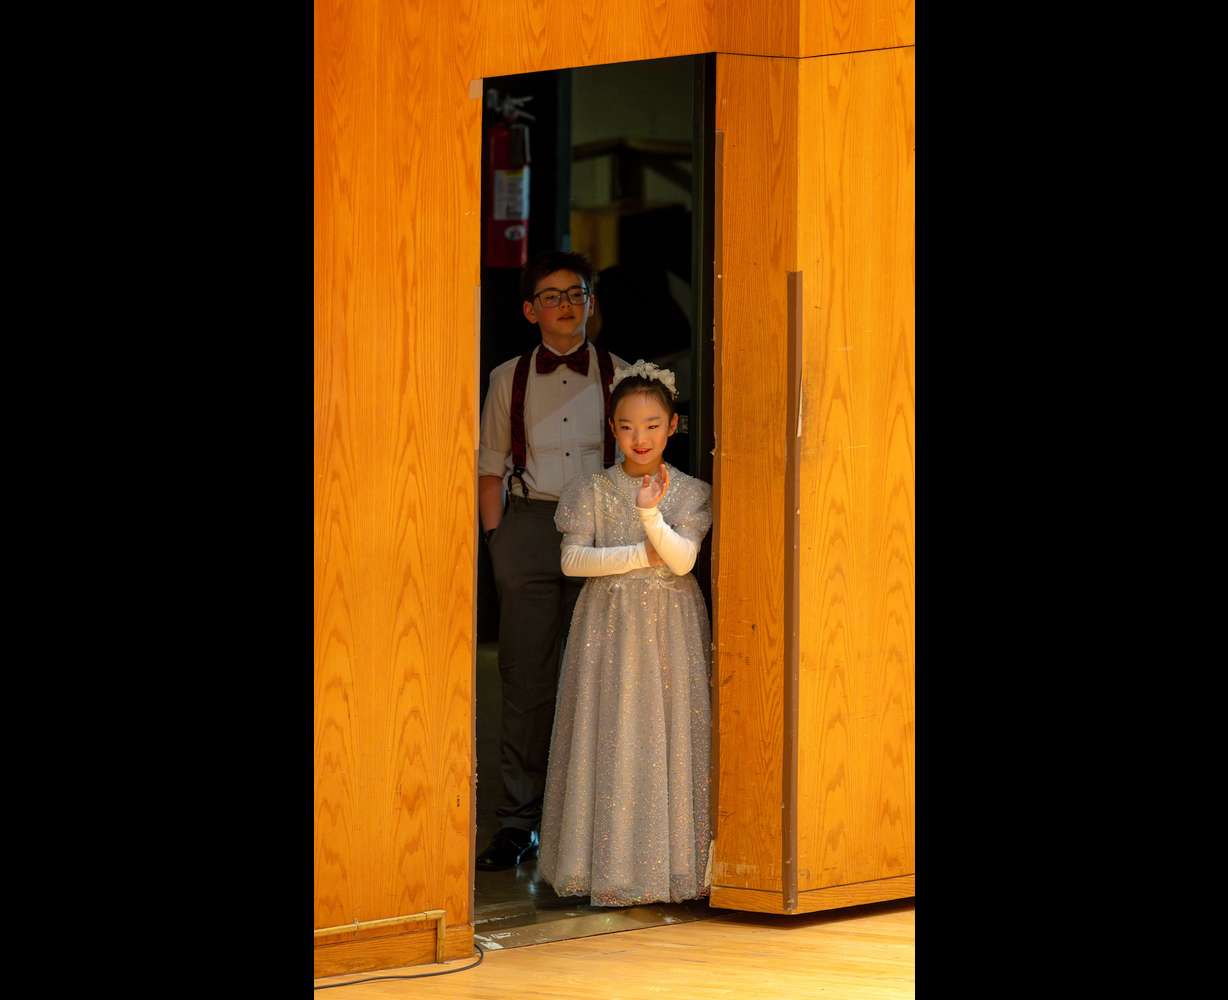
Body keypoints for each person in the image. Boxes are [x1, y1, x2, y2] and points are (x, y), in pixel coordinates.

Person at [538, 360, 712, 905]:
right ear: (612, 428)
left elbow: (682, 563)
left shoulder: (689, 492)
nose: (641, 438)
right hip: (608, 627)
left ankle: (672, 867)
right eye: (629, 426)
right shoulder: (590, 489)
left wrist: (651, 517)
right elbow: (572, 561)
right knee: (609, 729)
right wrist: (643, 553)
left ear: (673, 426)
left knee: (665, 728)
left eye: (653, 425)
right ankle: (604, 866)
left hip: (669, 625)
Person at [476, 250, 627, 871]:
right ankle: (517, 823)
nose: (567, 305)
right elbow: (489, 466)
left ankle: (596, 825)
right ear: (530, 309)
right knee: (526, 680)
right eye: (553, 295)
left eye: (577, 293)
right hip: (532, 525)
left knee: (602, 676)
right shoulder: (508, 376)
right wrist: (499, 543)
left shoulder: (622, 372)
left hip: (603, 528)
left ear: (591, 302)